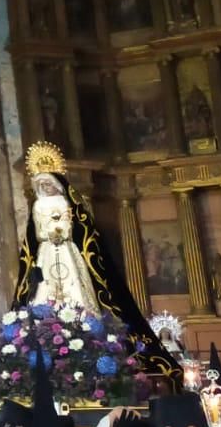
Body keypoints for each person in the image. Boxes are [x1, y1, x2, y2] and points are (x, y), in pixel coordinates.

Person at [13, 142, 176, 376]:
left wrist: (62, 232)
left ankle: (87, 327)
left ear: (57, 184)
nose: (46, 188)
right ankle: (45, 325)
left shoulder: (66, 203)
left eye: (49, 183)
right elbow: (37, 233)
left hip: (67, 250)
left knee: (75, 285)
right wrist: (50, 234)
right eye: (42, 184)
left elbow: (75, 227)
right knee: (45, 289)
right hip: (48, 252)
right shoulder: (39, 206)